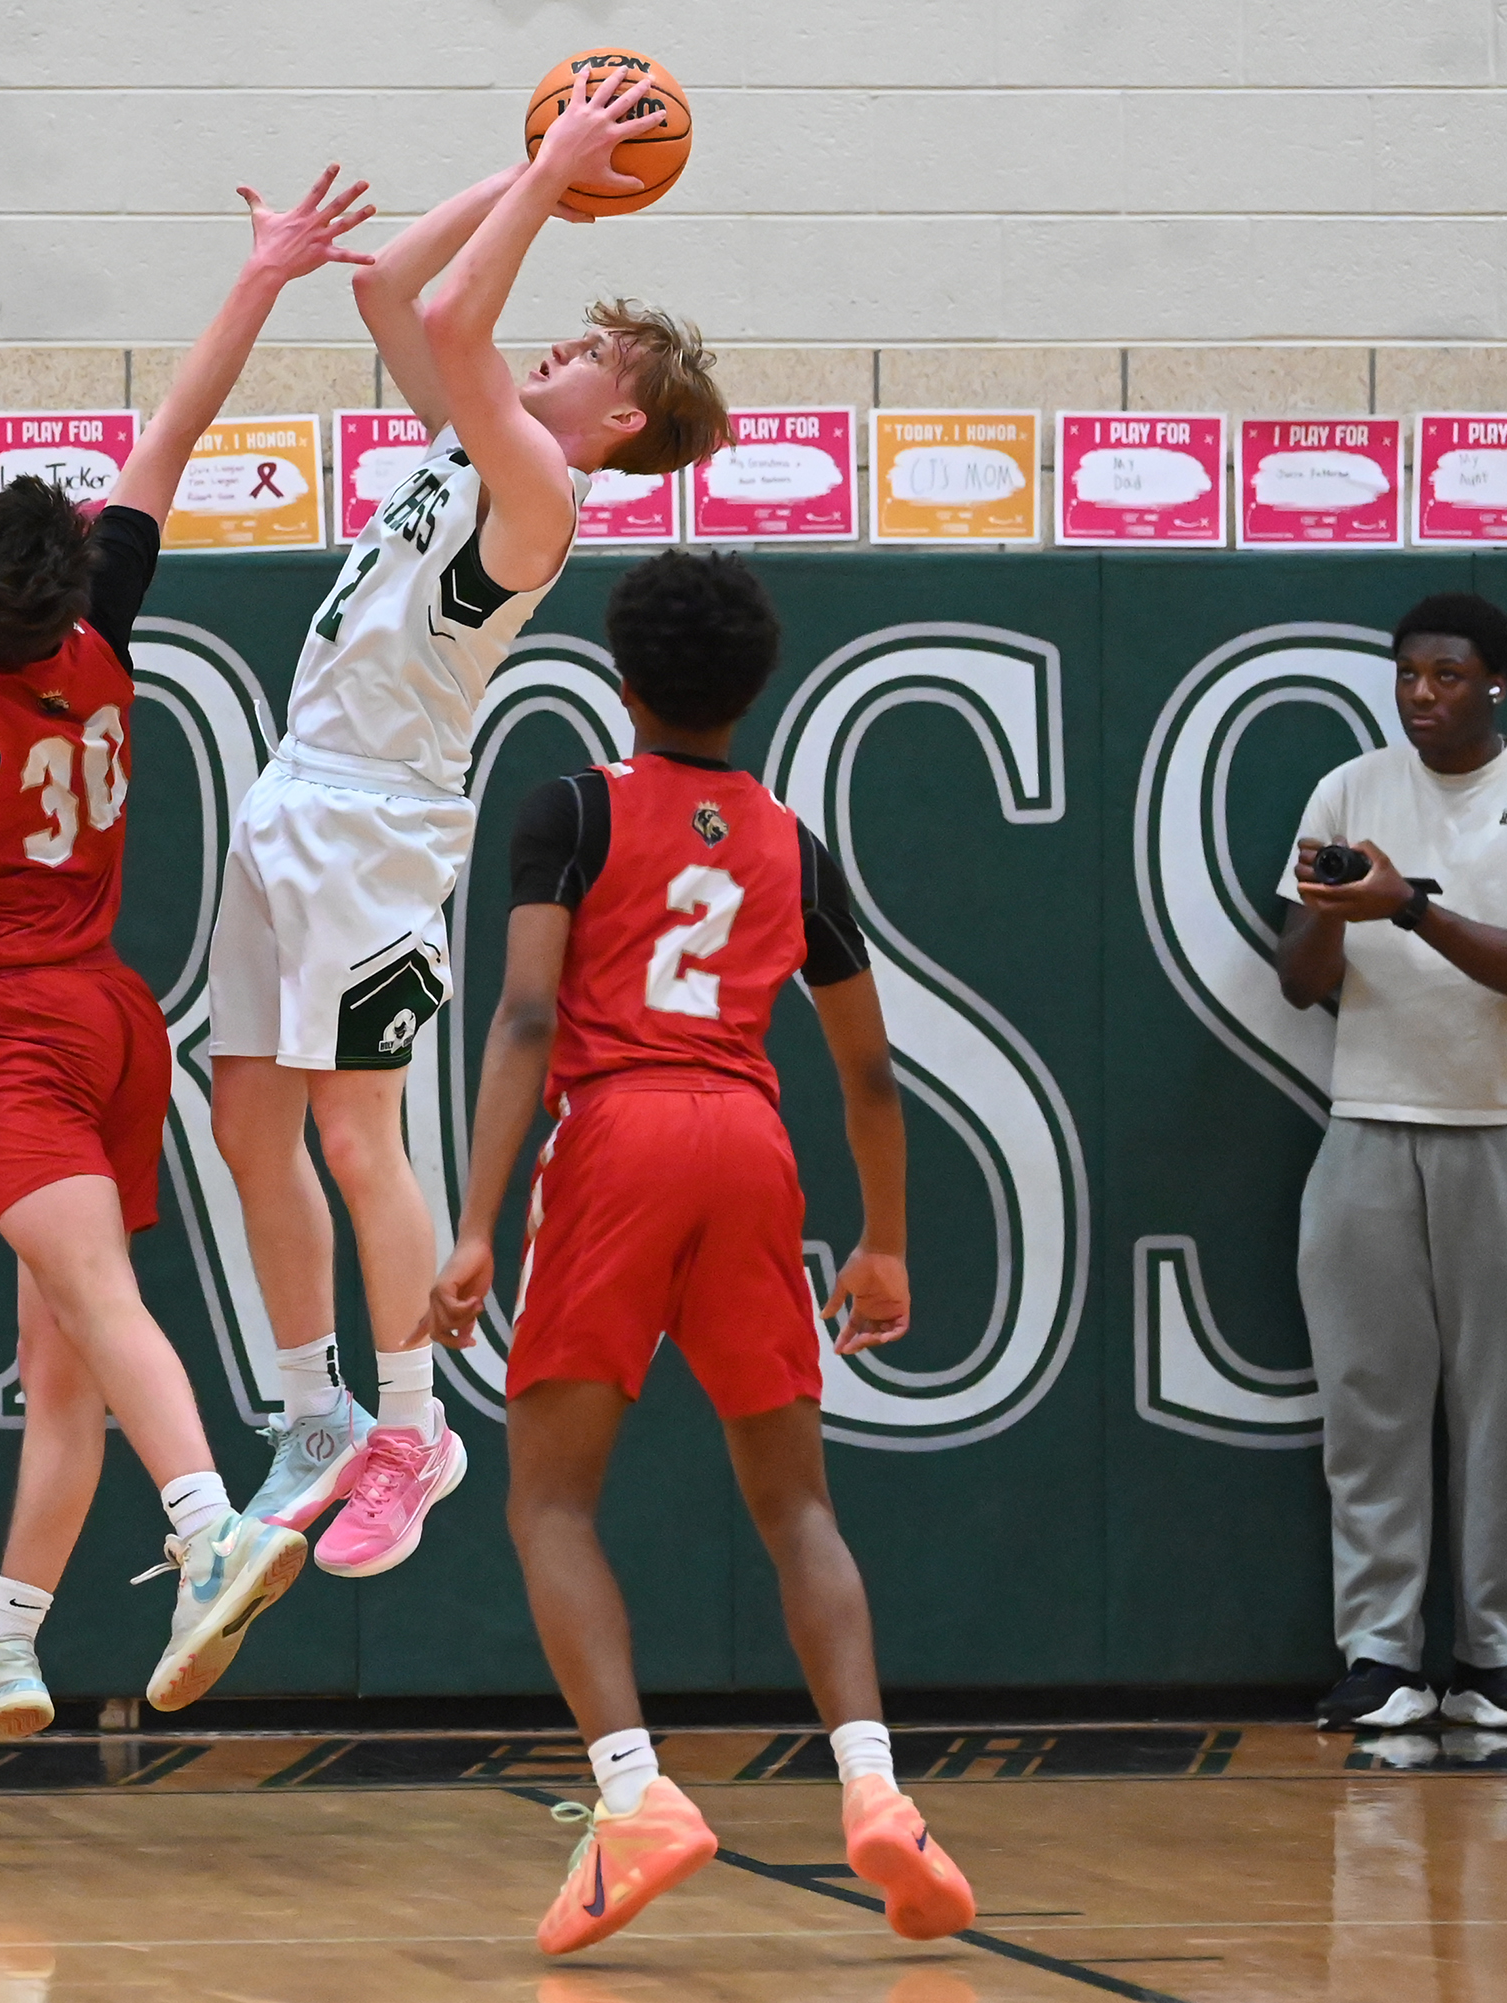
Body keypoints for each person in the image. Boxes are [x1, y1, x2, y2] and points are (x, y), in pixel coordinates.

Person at [0, 170, 378, 1761]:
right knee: (52, 1352)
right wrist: (265, 274)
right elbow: (174, 434)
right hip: (127, 1020)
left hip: (14, 1035)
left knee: (102, 1308)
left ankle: (211, 1524)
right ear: (70, 578)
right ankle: (7, 1647)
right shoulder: (104, 629)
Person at [206, 70, 729, 1576]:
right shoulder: (483, 429)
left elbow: (453, 325)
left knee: (353, 1132)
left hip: (379, 828)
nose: (554, 339)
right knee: (250, 1124)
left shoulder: (542, 490)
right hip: (293, 788)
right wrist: (536, 179)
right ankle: (311, 1416)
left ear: (619, 415)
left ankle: (416, 1424)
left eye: (590, 349)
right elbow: (391, 290)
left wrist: (552, 178)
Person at [426, 552, 975, 1955]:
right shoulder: (795, 841)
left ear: (621, 677)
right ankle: (877, 1789)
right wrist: (890, 1243)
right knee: (799, 1508)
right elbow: (869, 1075)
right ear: (754, 687)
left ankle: (633, 1794)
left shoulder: (570, 807)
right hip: (748, 1138)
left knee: (550, 1504)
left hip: (617, 1139)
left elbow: (527, 1020)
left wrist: (480, 1219)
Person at [1277, 592, 1507, 1735]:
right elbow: (1300, 978)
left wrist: (1405, 902)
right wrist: (1331, 908)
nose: (1424, 693)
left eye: (1450, 674)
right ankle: (1379, 1656)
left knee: (1497, 1408)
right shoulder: (1349, 790)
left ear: (1497, 682)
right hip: (1368, 1123)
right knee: (1368, 1403)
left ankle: (1491, 1658)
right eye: (1410, 672)